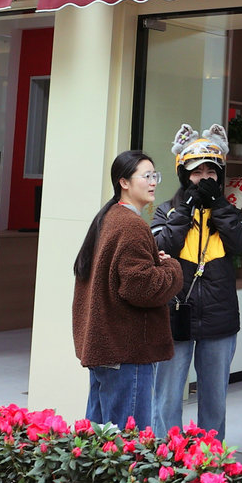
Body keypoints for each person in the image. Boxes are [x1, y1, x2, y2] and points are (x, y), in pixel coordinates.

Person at [151, 124, 242, 439]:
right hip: (175, 314)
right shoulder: (166, 210)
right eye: (196, 172)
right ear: (184, 174)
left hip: (219, 318)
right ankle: (166, 457)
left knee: (214, 398)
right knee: (167, 397)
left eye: (211, 171)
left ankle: (211, 458)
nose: (204, 177)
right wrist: (186, 209)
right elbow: (160, 246)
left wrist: (218, 206)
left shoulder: (229, 211)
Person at [71, 149, 184, 429]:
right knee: (127, 443)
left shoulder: (109, 217)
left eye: (155, 175)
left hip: (105, 348)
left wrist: (154, 264)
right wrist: (172, 268)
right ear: (124, 182)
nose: (153, 182)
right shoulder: (131, 225)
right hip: (126, 351)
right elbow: (142, 288)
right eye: (146, 176)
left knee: (100, 440)